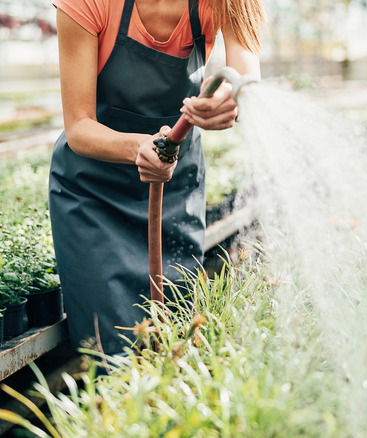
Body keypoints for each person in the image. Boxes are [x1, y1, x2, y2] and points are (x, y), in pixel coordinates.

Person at [49, 0, 264, 354]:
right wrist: (139, 149)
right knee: (112, 352)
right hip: (93, 197)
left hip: (175, 191)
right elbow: (79, 128)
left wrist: (229, 100)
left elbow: (247, 82)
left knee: (175, 342)